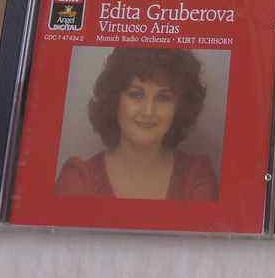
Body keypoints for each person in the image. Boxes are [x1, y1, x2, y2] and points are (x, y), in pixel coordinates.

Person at [54, 48, 217, 201]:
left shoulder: (196, 176)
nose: (148, 111)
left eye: (163, 98)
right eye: (136, 95)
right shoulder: (78, 179)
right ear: (114, 101)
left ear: (180, 108)